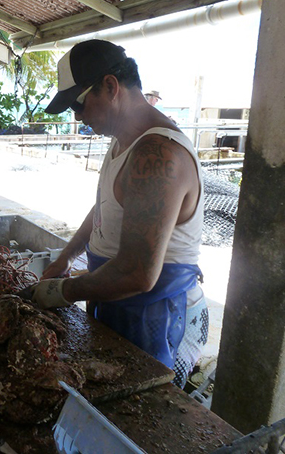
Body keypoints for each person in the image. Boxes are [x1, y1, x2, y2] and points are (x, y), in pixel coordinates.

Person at [32, 40, 208, 388]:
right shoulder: (124, 140)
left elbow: (137, 272)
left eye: (79, 105)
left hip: (154, 314)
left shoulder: (159, 154)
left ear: (110, 87)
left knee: (145, 409)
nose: (78, 117)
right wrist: (67, 256)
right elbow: (105, 208)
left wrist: (60, 292)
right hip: (113, 298)